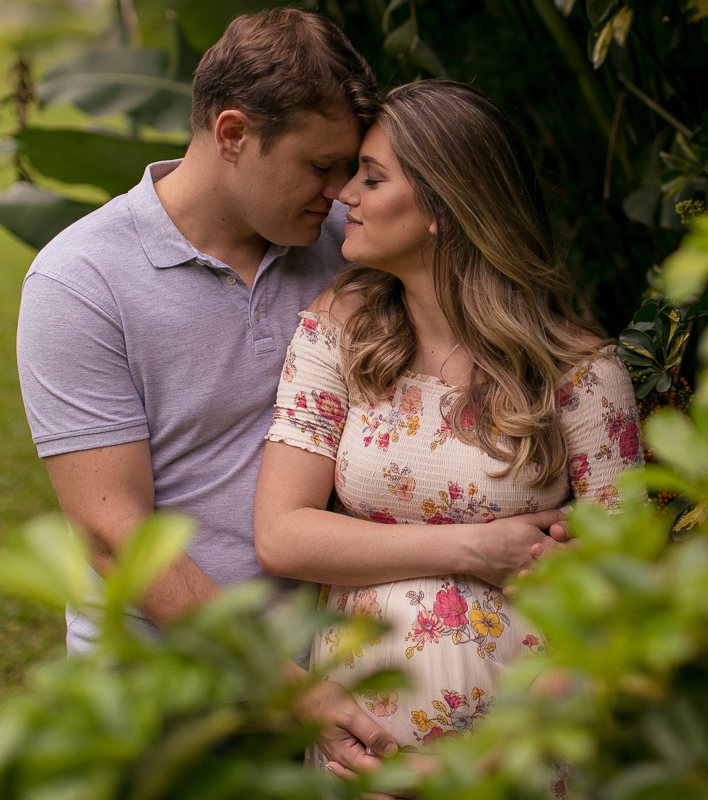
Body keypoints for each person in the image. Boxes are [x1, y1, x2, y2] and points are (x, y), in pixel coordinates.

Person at [15, 7, 397, 773]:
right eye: (319, 166)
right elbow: (112, 530)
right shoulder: (80, 281)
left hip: (328, 658)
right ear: (232, 135)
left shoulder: (345, 249)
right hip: (159, 695)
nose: (338, 190)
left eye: (348, 168)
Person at [253, 80, 643, 769]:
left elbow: (630, 594)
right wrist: (475, 549)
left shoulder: (580, 373)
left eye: (372, 179)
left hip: (523, 758)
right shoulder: (338, 335)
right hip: (363, 754)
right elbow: (282, 535)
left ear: (443, 207)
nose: (346, 195)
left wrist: (493, 760)